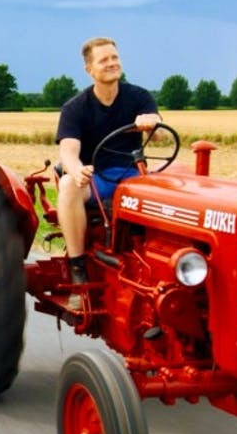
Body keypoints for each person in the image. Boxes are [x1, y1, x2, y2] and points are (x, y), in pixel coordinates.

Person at [55, 37, 162, 306]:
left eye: (114, 57)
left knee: (176, 181)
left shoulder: (138, 97)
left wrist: (152, 123)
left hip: (132, 175)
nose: (112, 63)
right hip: (98, 177)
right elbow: (68, 151)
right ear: (89, 69)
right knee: (69, 184)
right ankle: (78, 271)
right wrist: (78, 170)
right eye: (104, 60)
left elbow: (158, 133)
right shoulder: (75, 108)